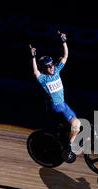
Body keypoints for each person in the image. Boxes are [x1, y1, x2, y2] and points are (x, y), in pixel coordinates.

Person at [29, 31, 81, 162]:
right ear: (43, 68)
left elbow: (65, 56)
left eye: (52, 64)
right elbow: (35, 72)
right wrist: (33, 57)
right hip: (55, 109)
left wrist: (64, 41)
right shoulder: (43, 79)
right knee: (76, 124)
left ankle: (65, 146)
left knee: (76, 126)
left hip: (63, 105)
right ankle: (67, 149)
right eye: (48, 66)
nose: (51, 67)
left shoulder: (56, 70)